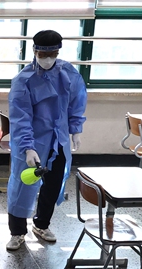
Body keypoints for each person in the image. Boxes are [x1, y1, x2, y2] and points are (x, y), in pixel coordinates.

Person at [5, 29, 88, 252]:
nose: (48, 59)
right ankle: (17, 232)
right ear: (34, 52)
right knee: (23, 185)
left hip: (58, 141)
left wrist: (75, 129)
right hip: (32, 143)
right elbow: (20, 118)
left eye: (53, 54)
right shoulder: (24, 81)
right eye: (43, 54)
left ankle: (42, 225)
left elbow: (77, 102)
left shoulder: (68, 73)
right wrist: (27, 148)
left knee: (52, 185)